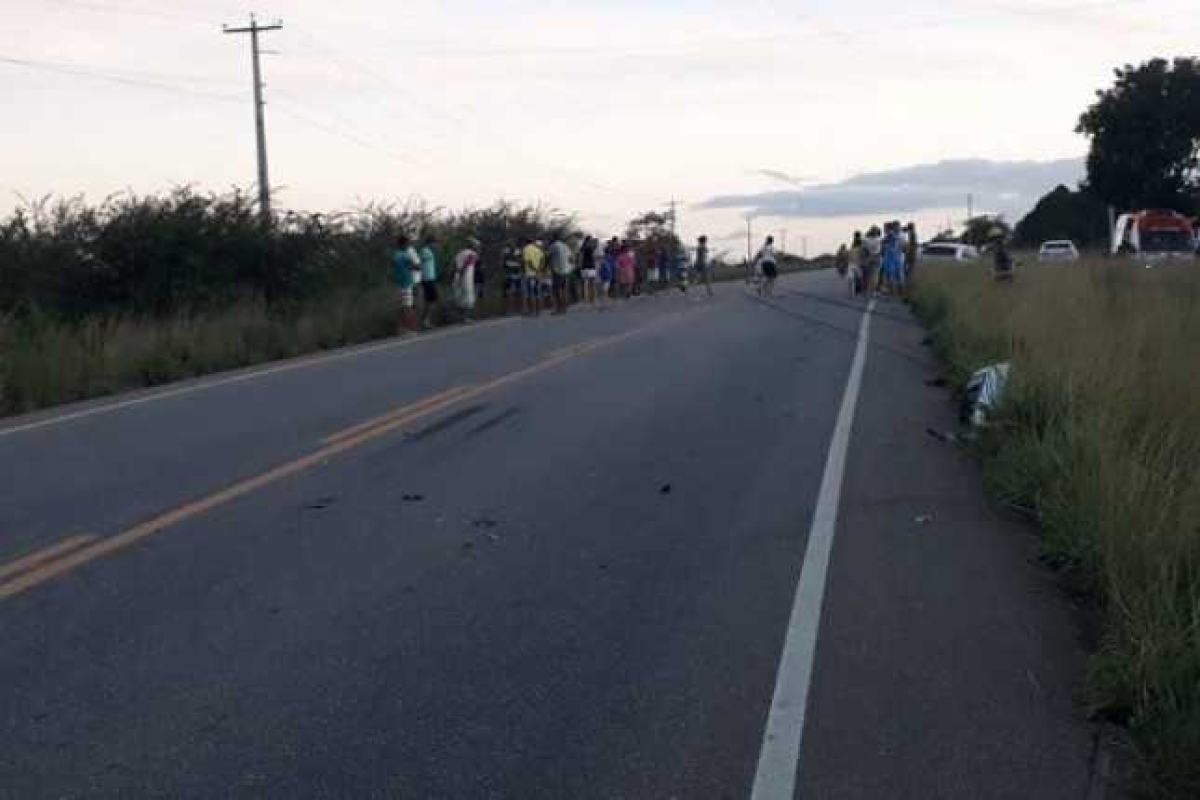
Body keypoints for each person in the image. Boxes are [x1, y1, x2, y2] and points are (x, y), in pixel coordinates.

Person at [392, 234, 420, 332]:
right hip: (406, 282)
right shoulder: (405, 255)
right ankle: (410, 328)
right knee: (408, 306)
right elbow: (417, 267)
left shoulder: (395, 255)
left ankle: (400, 327)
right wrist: (413, 267)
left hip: (398, 283)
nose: (408, 245)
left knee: (401, 306)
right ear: (404, 244)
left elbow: (395, 267)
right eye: (407, 244)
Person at [453, 237, 480, 321]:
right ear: (472, 246)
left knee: (459, 295)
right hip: (466, 276)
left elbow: (454, 265)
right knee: (468, 297)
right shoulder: (472, 254)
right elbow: (467, 263)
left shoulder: (460, 253)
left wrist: (457, 273)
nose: (477, 247)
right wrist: (462, 273)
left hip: (457, 274)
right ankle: (466, 317)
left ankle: (460, 317)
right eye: (476, 246)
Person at [548, 235, 574, 315]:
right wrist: (570, 268)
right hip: (566, 271)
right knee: (564, 289)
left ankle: (559, 308)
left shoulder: (553, 246)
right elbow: (571, 259)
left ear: (553, 239)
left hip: (557, 270)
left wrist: (550, 268)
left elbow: (549, 258)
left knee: (557, 290)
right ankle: (564, 307)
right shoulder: (566, 246)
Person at [418, 236, 440, 329]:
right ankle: (425, 321)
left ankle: (425, 321)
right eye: (434, 243)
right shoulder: (424, 251)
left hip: (430, 278)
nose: (435, 245)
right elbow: (419, 263)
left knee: (430, 300)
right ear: (429, 243)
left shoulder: (429, 251)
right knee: (432, 300)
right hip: (427, 279)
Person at [521, 238, 545, 316]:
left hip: (529, 274)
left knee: (530, 293)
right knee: (537, 292)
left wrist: (534, 269)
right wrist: (539, 269)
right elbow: (542, 260)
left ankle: (532, 311)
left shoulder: (525, 249)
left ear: (525, 242)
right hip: (538, 274)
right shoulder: (537, 249)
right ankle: (539, 310)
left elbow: (528, 262)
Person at [502, 243, 523, 315]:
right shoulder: (516, 251)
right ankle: (514, 309)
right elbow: (520, 262)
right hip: (513, 274)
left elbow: (504, 264)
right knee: (513, 292)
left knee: (513, 292)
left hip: (511, 274)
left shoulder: (507, 251)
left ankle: (513, 309)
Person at [579, 235, 599, 305]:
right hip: (591, 267)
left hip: (584, 267)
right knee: (591, 284)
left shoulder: (582, 248)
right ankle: (592, 299)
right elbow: (595, 257)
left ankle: (586, 299)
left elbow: (580, 257)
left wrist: (580, 265)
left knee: (585, 284)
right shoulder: (592, 247)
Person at [599, 239, 618, 303]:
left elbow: (601, 267)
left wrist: (601, 273)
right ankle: (605, 297)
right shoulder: (610, 258)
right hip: (608, 273)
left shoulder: (603, 258)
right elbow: (614, 266)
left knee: (605, 285)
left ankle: (605, 297)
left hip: (604, 273)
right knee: (607, 286)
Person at [847, 232, 864, 298]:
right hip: (855, 264)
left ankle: (854, 292)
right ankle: (855, 291)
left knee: (854, 279)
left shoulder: (856, 243)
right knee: (857, 278)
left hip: (854, 264)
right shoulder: (858, 243)